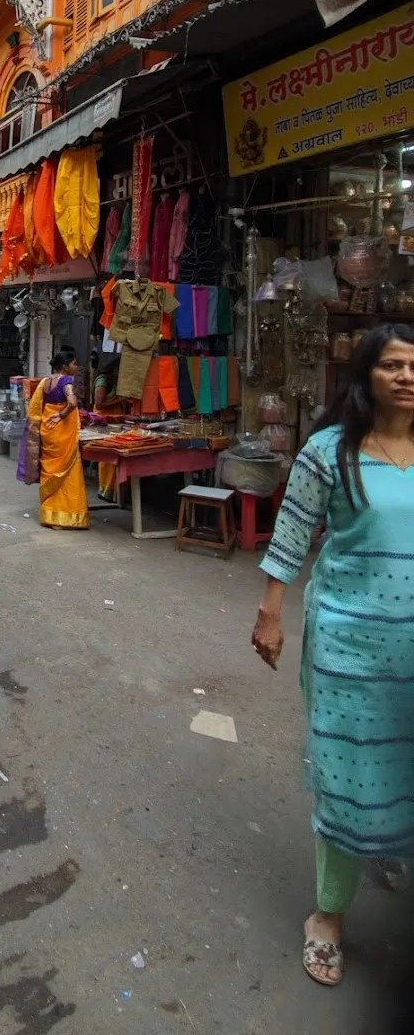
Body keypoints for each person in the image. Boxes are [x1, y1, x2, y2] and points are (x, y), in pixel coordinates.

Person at [252, 324, 414, 988]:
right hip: (350, 645)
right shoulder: (331, 452)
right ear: (366, 375)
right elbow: (291, 534)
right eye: (395, 365)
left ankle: (389, 845)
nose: (408, 376)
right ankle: (329, 915)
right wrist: (270, 613)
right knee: (349, 780)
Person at [18, 350, 89, 529]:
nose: (76, 367)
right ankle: (67, 517)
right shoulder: (66, 381)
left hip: (48, 431)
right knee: (68, 473)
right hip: (62, 432)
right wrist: (61, 415)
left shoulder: (46, 382)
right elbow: (72, 402)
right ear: (65, 367)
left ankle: (49, 515)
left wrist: (54, 416)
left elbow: (37, 408)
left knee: (50, 470)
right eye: (73, 364)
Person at [91, 352, 124, 502]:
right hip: (104, 421)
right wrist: (118, 401)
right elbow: (99, 403)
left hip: (114, 422)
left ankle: (113, 491)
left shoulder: (113, 380)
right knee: (107, 459)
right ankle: (106, 490)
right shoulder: (103, 380)